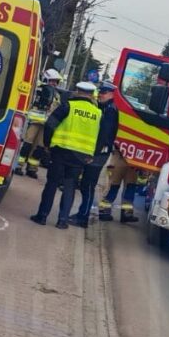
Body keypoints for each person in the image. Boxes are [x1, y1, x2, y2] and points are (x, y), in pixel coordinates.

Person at [30, 82, 101, 229]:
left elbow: (50, 124)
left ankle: (42, 216)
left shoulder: (68, 106)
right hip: (81, 156)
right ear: (91, 95)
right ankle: (62, 221)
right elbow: (99, 136)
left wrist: (47, 144)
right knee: (70, 186)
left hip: (61, 151)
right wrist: (91, 153)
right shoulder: (97, 113)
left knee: (52, 183)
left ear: (77, 91)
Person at [72, 80, 119, 228]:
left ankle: (83, 217)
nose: (100, 95)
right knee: (86, 183)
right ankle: (82, 213)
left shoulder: (110, 110)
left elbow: (104, 135)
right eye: (100, 93)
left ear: (111, 94)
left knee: (88, 184)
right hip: (97, 151)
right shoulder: (105, 107)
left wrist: (93, 153)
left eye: (104, 93)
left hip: (99, 153)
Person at [15, 68, 63, 178]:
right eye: (52, 81)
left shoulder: (56, 95)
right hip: (34, 121)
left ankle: (32, 168)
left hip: (47, 124)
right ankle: (18, 165)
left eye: (56, 81)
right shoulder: (38, 89)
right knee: (27, 143)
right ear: (46, 79)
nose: (54, 84)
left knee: (40, 147)